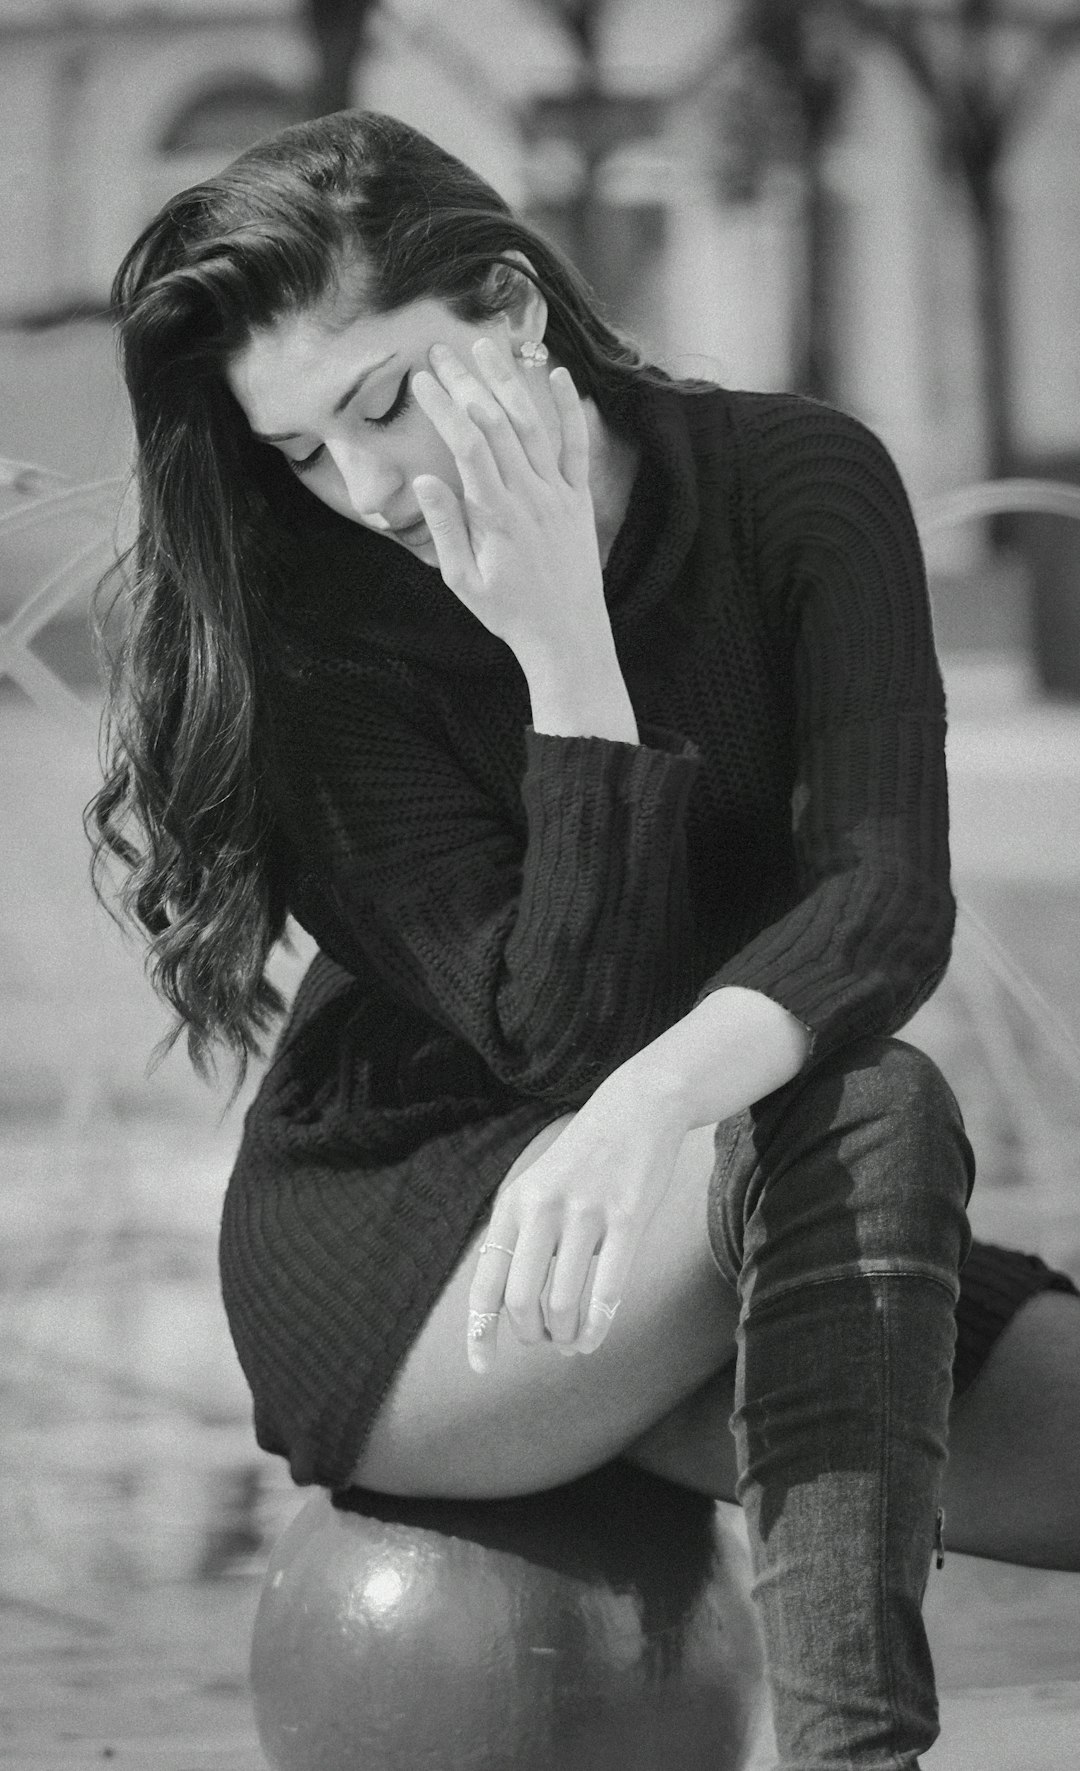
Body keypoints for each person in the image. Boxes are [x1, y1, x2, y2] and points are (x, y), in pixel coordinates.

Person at [87, 109, 1080, 1768]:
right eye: (304, 452)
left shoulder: (799, 483)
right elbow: (561, 1044)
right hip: (430, 1254)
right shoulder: (306, 634)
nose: (367, 486)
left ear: (515, 309)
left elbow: (884, 902)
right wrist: (564, 658)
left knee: (867, 1130)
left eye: (388, 398)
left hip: (736, 1172)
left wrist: (656, 1112)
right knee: (880, 1099)